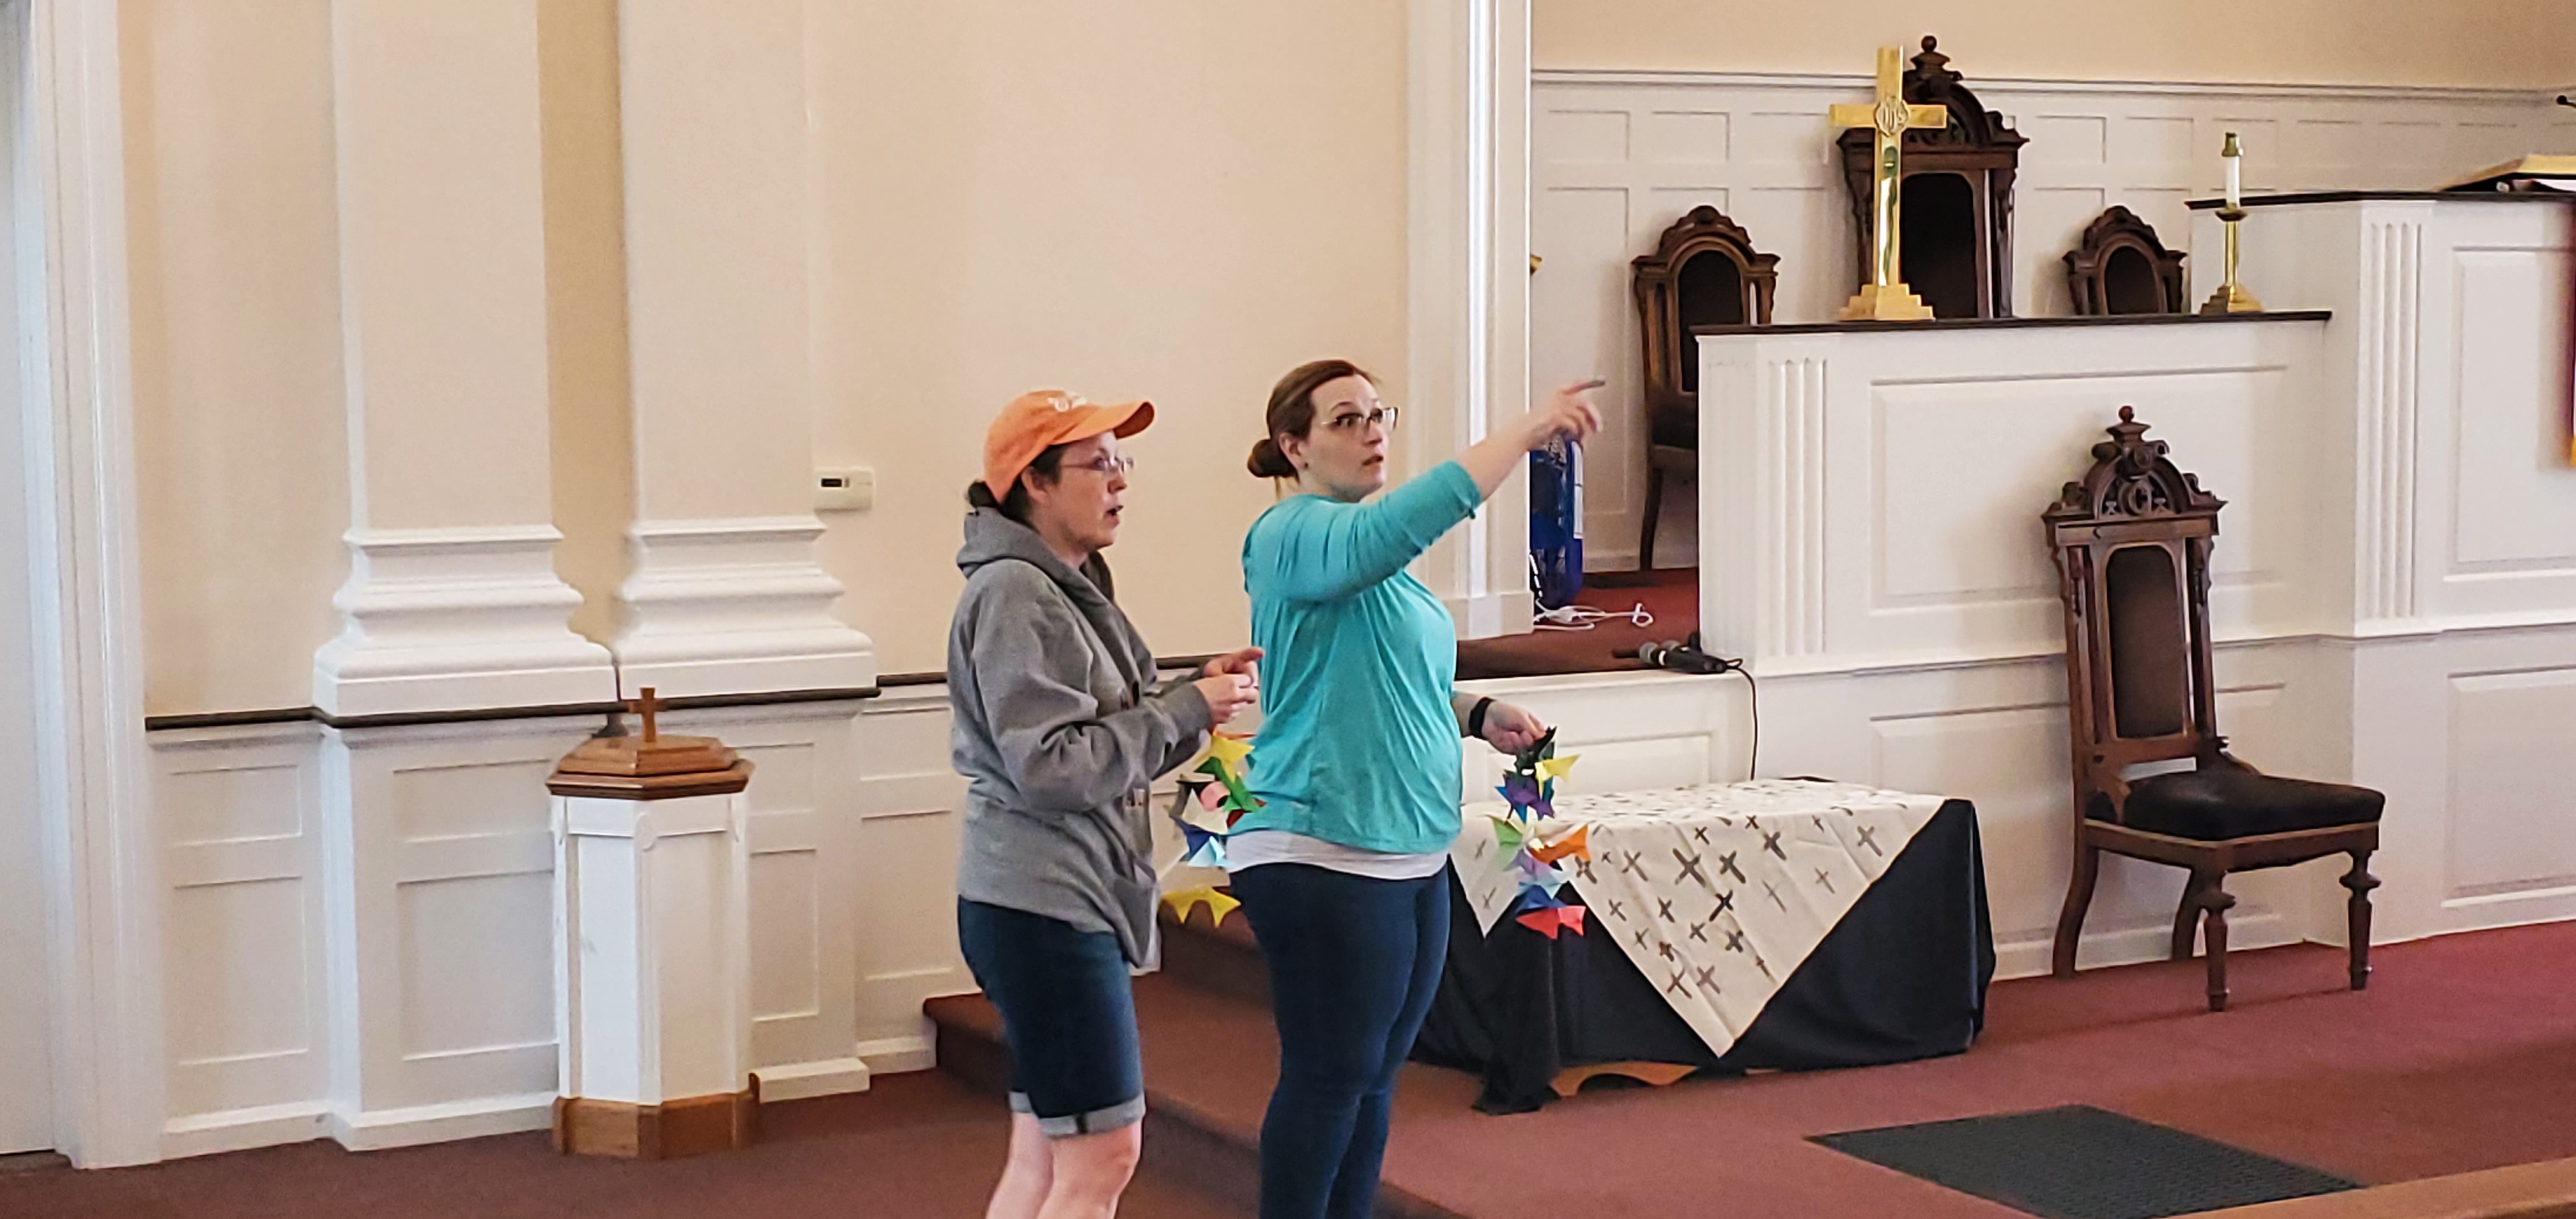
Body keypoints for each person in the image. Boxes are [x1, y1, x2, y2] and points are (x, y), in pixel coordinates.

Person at [1227, 360, 1602, 1218]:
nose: (1372, 432)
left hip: (1410, 846)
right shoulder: (1292, 532)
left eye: (1378, 414)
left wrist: (1475, 712)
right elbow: (1401, 526)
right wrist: (1525, 432)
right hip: (1322, 847)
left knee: (1372, 1079)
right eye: (1345, 419)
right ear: (1294, 446)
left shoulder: (1375, 562)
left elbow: (1388, 674)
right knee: (1332, 1074)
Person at [948, 389, 1262, 1219]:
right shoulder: (1017, 594)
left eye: (1124, 462)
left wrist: (1191, 699)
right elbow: (1054, 770)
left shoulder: (1064, 585)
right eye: (1099, 464)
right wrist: (1185, 707)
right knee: (1103, 1158)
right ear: (1035, 483)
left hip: (1049, 901)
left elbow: (1109, 743)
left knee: (1044, 1158)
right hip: (1045, 907)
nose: (1121, 480)